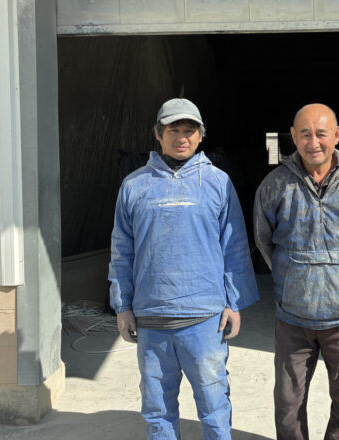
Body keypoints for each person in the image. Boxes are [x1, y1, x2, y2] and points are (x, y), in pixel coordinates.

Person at [109, 98, 259, 440]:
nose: (181, 138)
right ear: (158, 134)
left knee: (214, 405)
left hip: (205, 319)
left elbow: (234, 246)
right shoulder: (134, 185)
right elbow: (122, 250)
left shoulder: (217, 182)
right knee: (158, 410)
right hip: (152, 319)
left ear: (200, 135)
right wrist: (122, 305)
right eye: (173, 130)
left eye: (189, 130)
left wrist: (233, 303)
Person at [253, 103, 339, 440]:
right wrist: (294, 280)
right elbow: (264, 242)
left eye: (321, 134)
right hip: (293, 318)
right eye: (305, 134)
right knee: (288, 403)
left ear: (336, 135)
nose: (314, 143)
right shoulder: (274, 185)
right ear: (293, 136)